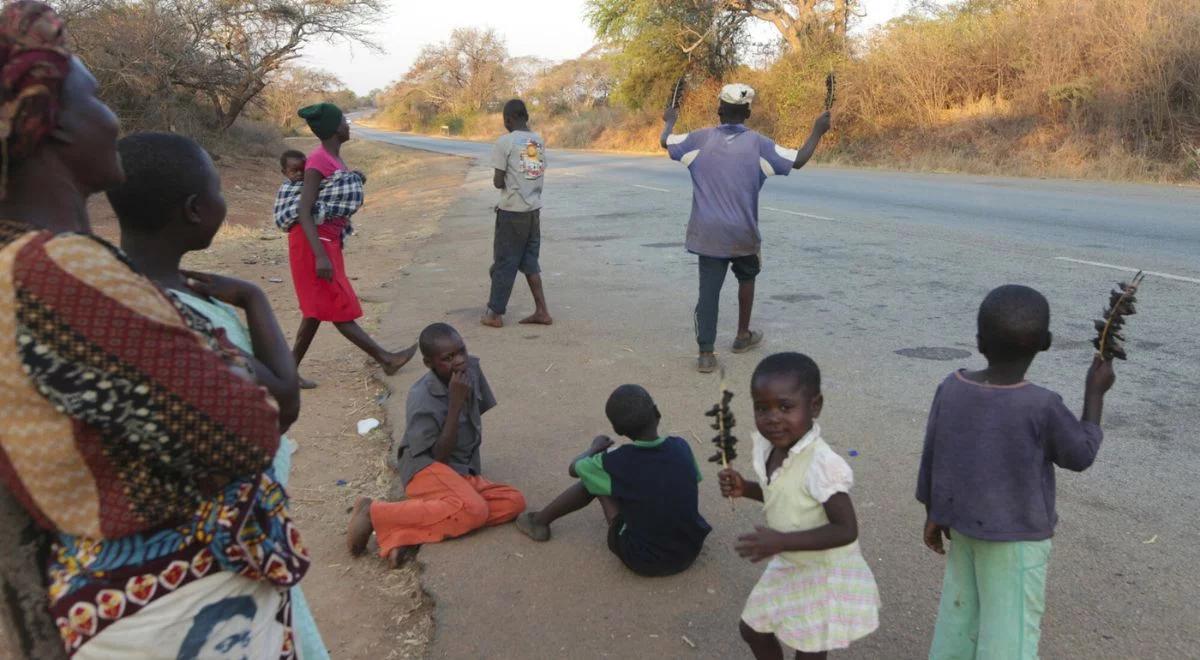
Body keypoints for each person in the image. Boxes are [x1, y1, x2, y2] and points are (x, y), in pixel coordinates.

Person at [0, 4, 308, 658]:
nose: (114, 119)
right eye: (97, 97)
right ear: (51, 123)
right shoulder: (57, 268)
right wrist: (225, 360)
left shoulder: (23, 262)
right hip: (177, 608)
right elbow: (247, 429)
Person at [109, 131, 331, 660]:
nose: (223, 201)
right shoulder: (176, 314)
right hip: (223, 545)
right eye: (218, 191)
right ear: (194, 210)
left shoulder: (122, 285)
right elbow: (283, 402)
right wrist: (254, 298)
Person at [917, 285, 1115, 659]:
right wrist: (1095, 394)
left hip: (962, 529)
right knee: (1009, 638)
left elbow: (934, 452)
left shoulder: (951, 386)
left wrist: (933, 510)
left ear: (978, 340)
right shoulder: (1041, 404)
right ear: (1046, 343)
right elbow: (1080, 454)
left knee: (959, 626)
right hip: (1017, 544)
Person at [719, 353, 880, 659]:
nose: (773, 418)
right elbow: (786, 495)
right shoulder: (774, 449)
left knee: (809, 650)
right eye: (761, 408)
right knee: (753, 629)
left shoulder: (821, 464)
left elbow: (846, 529)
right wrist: (746, 488)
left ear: (814, 406)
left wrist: (781, 541)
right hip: (792, 562)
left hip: (821, 573)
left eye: (785, 407)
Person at [660, 84, 831, 373]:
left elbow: (666, 142)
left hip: (708, 234)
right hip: (743, 233)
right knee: (747, 276)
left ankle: (705, 354)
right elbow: (799, 160)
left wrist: (669, 121)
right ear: (748, 113)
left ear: (719, 109)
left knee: (708, 293)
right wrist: (817, 130)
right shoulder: (760, 145)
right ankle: (742, 335)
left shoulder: (698, 140)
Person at [346, 323, 526, 567]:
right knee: (474, 510)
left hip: (460, 468)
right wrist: (454, 404)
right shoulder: (422, 396)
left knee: (513, 501)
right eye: (448, 358)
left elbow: (473, 420)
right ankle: (373, 512)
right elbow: (438, 456)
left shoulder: (471, 369)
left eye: (461, 351)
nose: (459, 360)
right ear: (429, 363)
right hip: (425, 467)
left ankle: (404, 533)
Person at [514, 385, 711, 577]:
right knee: (644, 485)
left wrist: (594, 447)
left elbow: (575, 469)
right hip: (689, 549)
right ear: (657, 412)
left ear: (617, 430)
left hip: (645, 559)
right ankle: (540, 521)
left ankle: (539, 521)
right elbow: (690, 480)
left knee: (593, 482)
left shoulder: (615, 462)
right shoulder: (680, 446)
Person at [289, 102, 416, 388]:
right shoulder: (319, 160)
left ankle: (287, 372)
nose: (348, 125)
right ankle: (385, 358)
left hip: (325, 242)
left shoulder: (332, 158)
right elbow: (303, 210)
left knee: (317, 309)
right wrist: (320, 256)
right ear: (335, 129)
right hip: (314, 244)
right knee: (338, 304)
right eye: (344, 121)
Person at [481, 98, 552, 328]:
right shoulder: (538, 141)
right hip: (533, 211)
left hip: (512, 213)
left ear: (508, 120)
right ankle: (542, 311)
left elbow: (498, 181)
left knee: (504, 262)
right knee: (530, 262)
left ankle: (494, 314)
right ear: (527, 118)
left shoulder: (505, 142)